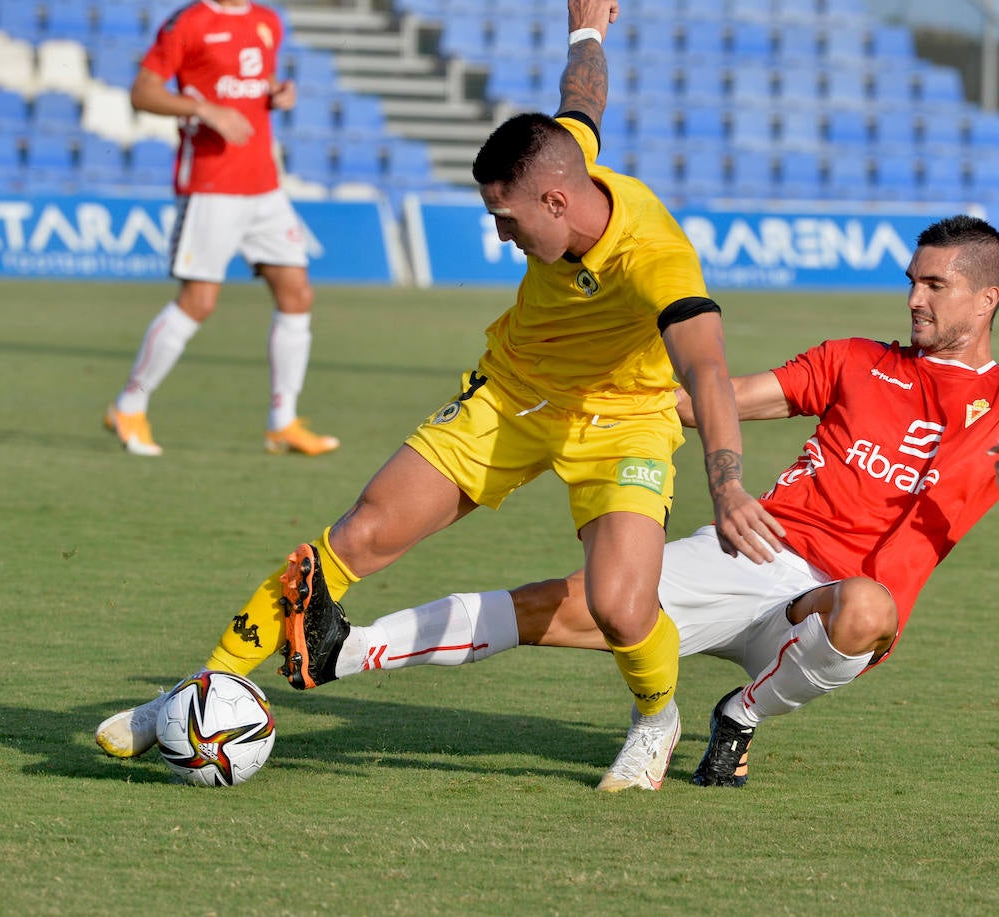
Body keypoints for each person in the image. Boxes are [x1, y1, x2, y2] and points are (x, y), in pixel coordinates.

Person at [96, 0, 781, 792]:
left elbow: (704, 367)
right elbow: (583, 97)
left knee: (622, 605)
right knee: (361, 531)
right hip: (512, 395)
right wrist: (588, 30)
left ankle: (656, 716)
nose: (501, 237)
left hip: (623, 423)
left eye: (506, 219)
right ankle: (187, 696)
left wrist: (727, 484)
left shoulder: (657, 257)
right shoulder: (565, 159)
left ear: (557, 202)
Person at [254, 214, 999, 787]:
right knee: (572, 602)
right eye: (913, 281)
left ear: (987, 297)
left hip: (833, 613)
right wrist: (619, 398)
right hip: (759, 552)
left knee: (871, 607)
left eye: (936, 286)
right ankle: (344, 650)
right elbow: (719, 396)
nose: (914, 298)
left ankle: (740, 714)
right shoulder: (854, 357)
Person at [104, 0, 338, 457]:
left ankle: (282, 421)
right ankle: (129, 406)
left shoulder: (267, 20)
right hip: (211, 185)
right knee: (199, 302)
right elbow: (143, 92)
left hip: (264, 185)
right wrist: (205, 110)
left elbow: (254, 82)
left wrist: (276, 94)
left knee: (297, 293)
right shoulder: (190, 22)